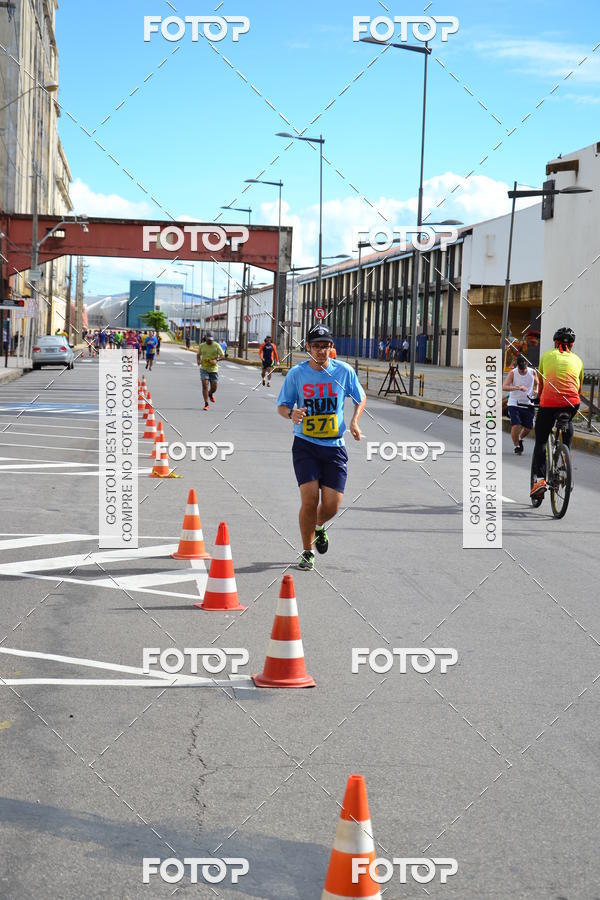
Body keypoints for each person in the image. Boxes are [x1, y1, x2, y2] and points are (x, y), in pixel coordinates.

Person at [277, 324, 366, 571]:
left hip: (334, 446)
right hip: (305, 444)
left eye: (325, 346)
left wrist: (354, 421)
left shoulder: (344, 371)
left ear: (331, 347)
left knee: (331, 506)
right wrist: (291, 414)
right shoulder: (297, 374)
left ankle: (318, 526)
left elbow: (360, 397)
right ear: (308, 347)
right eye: (316, 346)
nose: (321, 350)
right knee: (309, 500)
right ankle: (307, 551)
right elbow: (282, 406)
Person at [530, 327, 583, 498]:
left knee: (541, 441)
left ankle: (539, 481)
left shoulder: (546, 356)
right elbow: (578, 388)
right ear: (572, 345)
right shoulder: (578, 360)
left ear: (555, 342)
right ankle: (566, 460)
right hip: (572, 403)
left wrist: (538, 400)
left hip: (549, 403)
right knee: (568, 422)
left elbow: (541, 384)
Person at [502, 355, 538, 454]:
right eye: (520, 369)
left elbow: (537, 383)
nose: (522, 371)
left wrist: (536, 390)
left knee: (529, 427)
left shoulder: (532, 372)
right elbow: (504, 387)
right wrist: (518, 387)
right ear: (517, 366)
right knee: (516, 424)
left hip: (528, 402)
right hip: (514, 402)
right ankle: (517, 446)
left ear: (527, 365)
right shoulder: (513, 373)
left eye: (524, 369)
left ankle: (520, 438)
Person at [197, 331, 225, 410]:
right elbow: (198, 354)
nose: (210, 341)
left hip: (213, 369)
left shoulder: (216, 345)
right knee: (205, 385)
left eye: (211, 339)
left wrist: (216, 360)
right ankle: (206, 404)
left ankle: (210, 393)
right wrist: (198, 360)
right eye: (208, 339)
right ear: (205, 338)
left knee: (214, 388)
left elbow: (223, 356)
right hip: (204, 368)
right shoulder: (202, 346)